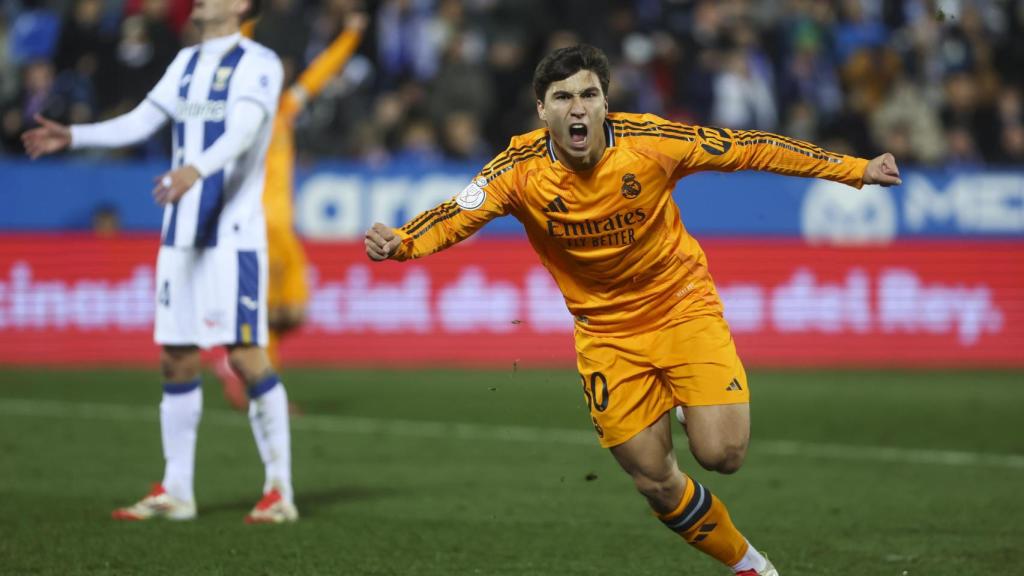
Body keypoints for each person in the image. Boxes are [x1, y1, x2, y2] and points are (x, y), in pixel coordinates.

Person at [363, 45, 902, 575]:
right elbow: (459, 213)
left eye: (590, 95)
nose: (579, 108)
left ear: (605, 102)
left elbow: (751, 147)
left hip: (680, 306)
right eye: (564, 97)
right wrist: (402, 241)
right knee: (653, 479)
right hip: (605, 333)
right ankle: (751, 566)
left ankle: (694, 406)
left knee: (723, 455)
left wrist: (855, 169)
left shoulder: (652, 141)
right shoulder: (517, 169)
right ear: (542, 110)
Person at [23, 0, 298, 524]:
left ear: (241, 5)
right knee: (176, 357)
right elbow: (142, 121)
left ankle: (279, 490)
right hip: (180, 234)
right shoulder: (186, 62)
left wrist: (195, 167)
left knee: (244, 355)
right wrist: (75, 136)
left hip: (231, 237)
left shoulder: (258, 63)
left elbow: (243, 134)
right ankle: (176, 490)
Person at [215, 10, 368, 411]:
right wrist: (247, 18)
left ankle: (242, 372)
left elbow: (320, 73)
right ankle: (259, 390)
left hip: (280, 229)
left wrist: (350, 36)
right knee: (272, 314)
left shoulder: (284, 109)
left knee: (282, 315)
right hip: (258, 227)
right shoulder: (241, 110)